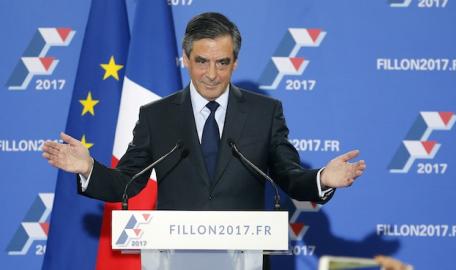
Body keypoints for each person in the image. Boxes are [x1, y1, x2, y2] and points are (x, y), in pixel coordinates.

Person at [42, 12, 365, 211]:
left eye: (222, 62)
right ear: (185, 59)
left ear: (235, 62)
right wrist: (89, 169)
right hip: (174, 256)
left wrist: (323, 179)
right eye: (202, 61)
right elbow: (129, 182)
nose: (212, 74)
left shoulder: (265, 112)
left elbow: (289, 177)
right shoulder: (158, 116)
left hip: (244, 256)